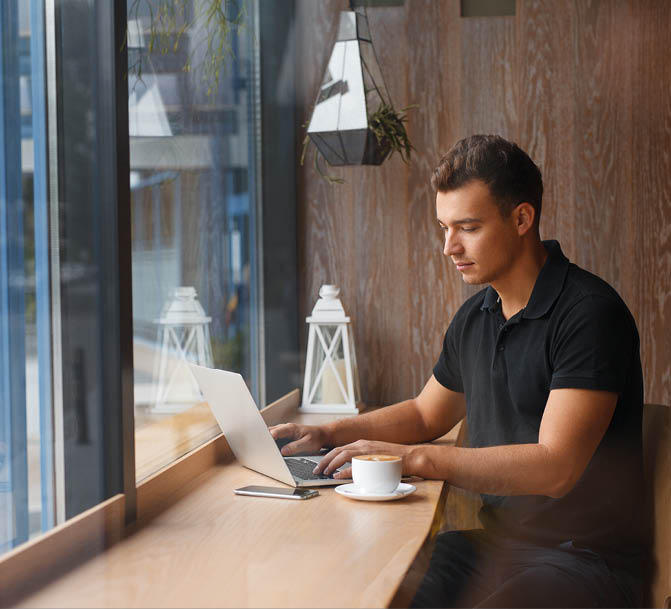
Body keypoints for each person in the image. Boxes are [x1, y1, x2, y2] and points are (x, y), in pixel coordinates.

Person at [270, 135, 646, 608]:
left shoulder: (589, 314)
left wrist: (415, 459)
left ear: (522, 218)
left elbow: (555, 468)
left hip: (585, 561)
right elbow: (426, 415)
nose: (449, 247)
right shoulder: (477, 316)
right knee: (375, 592)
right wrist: (331, 433)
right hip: (494, 548)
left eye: (467, 227)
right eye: (444, 227)